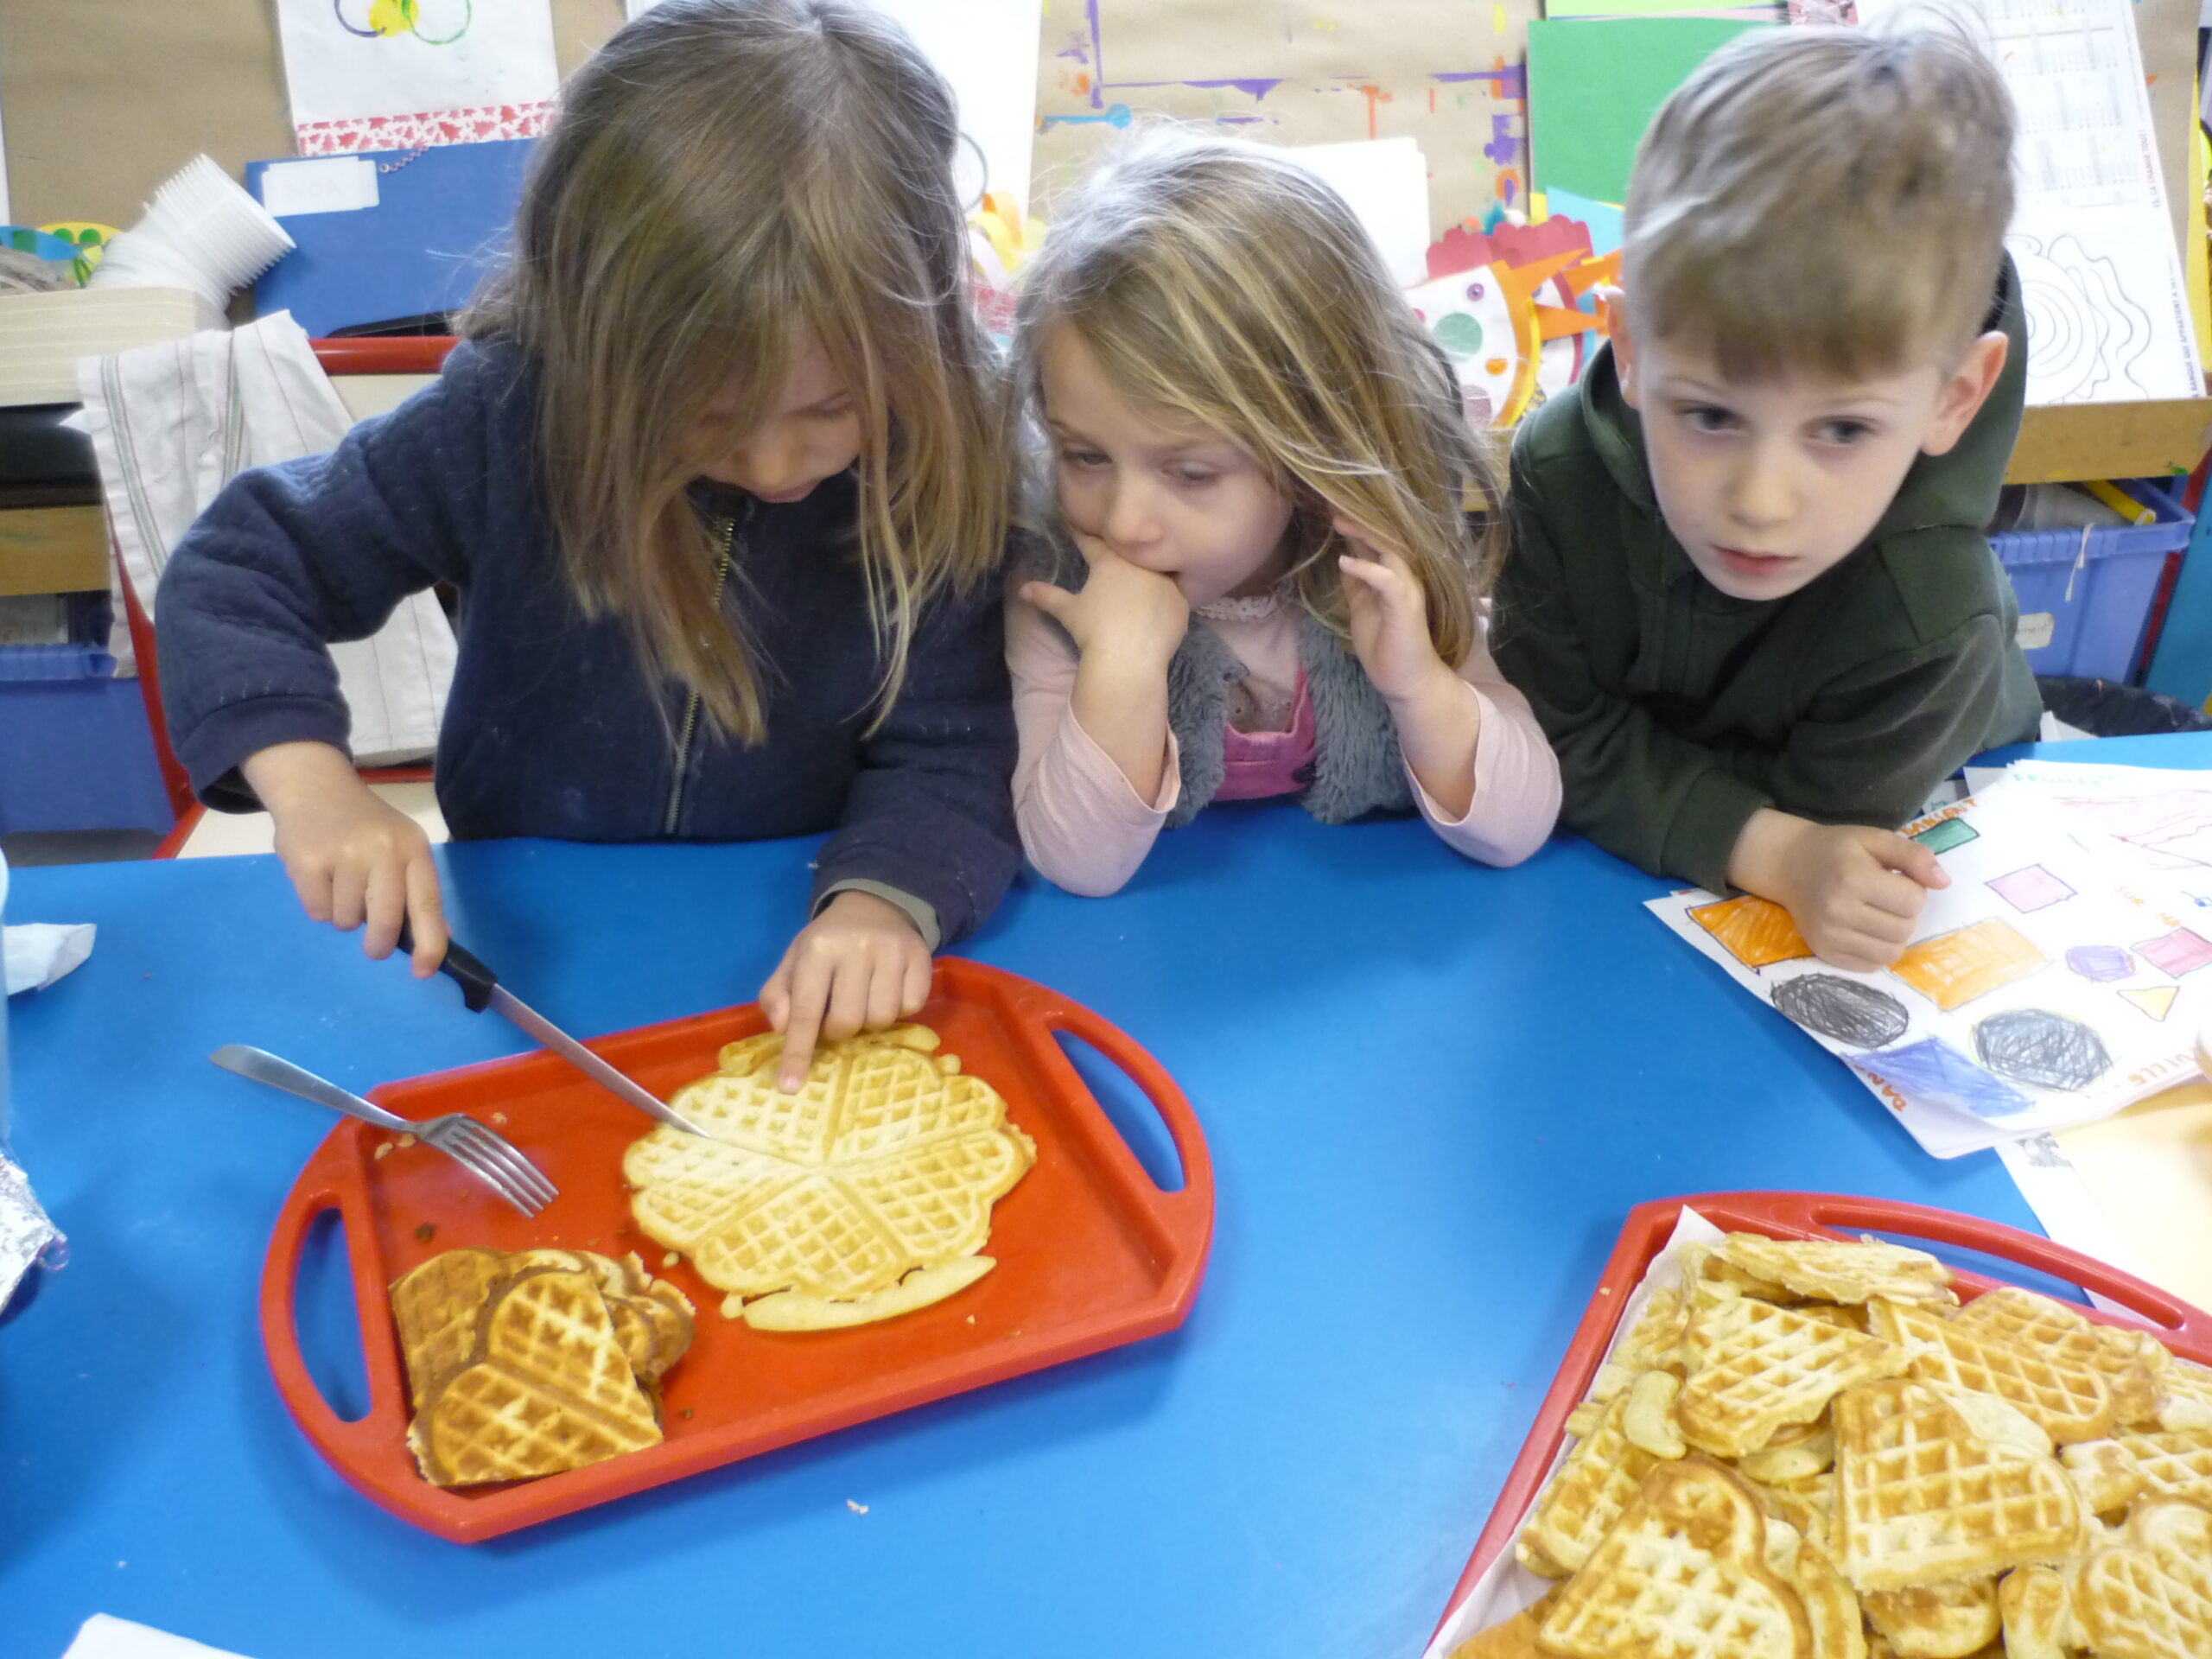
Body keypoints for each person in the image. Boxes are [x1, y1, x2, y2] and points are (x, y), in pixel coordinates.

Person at [156, 0, 1017, 1089]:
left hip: (794, 927)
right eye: (707, 416)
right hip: (524, 939)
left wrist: (885, 902)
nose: (772, 463)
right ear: (593, 341)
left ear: (922, 336)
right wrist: (314, 789)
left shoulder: (940, 462)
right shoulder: (511, 415)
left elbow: (952, 751)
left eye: (833, 407)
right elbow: (240, 571)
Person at [1494, 22, 2040, 972]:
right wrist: (1778, 849)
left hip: (1948, 791)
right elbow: (1547, 731)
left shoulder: (1930, 609)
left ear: (1956, 397)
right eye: (1710, 415)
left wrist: (1786, 846)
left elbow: (1829, 832)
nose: (1762, 503)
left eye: (1842, 431)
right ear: (1631, 351)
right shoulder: (1559, 469)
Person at [1002, 131, 1561, 896]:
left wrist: (1420, 683)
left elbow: (1519, 828)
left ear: (1315, 444)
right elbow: (1077, 864)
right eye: (1085, 456)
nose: (1126, 523)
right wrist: (1122, 664)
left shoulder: (1382, 560)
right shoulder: (1060, 584)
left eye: (1191, 473)